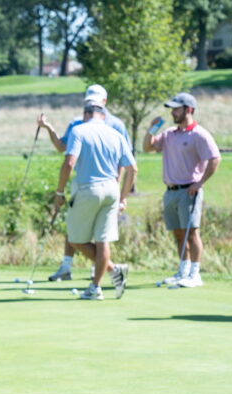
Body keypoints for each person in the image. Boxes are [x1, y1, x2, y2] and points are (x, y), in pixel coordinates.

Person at [50, 96, 137, 300]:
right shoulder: (116, 134)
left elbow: (69, 163)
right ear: (103, 114)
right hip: (111, 190)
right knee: (103, 239)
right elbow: (132, 169)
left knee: (75, 239)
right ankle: (96, 287)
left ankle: (112, 270)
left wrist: (60, 192)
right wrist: (123, 197)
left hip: (88, 189)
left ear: (85, 114)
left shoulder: (79, 130)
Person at [143, 92, 221, 288]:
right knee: (179, 234)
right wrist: (152, 129)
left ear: (189, 110)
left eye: (176, 109)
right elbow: (147, 147)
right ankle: (182, 271)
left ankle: (195, 274)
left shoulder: (199, 134)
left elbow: (215, 158)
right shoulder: (169, 134)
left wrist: (200, 183)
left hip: (189, 191)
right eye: (172, 109)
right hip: (170, 191)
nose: (173, 112)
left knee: (192, 233)